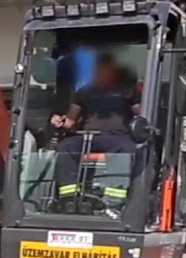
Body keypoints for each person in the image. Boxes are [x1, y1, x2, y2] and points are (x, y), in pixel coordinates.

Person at [50, 52, 141, 198]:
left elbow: (142, 116)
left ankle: (115, 197)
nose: (101, 75)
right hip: (87, 138)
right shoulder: (84, 92)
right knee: (64, 147)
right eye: (98, 71)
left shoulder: (127, 92)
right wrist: (60, 122)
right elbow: (70, 122)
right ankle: (69, 195)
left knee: (127, 149)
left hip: (118, 138)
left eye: (105, 71)